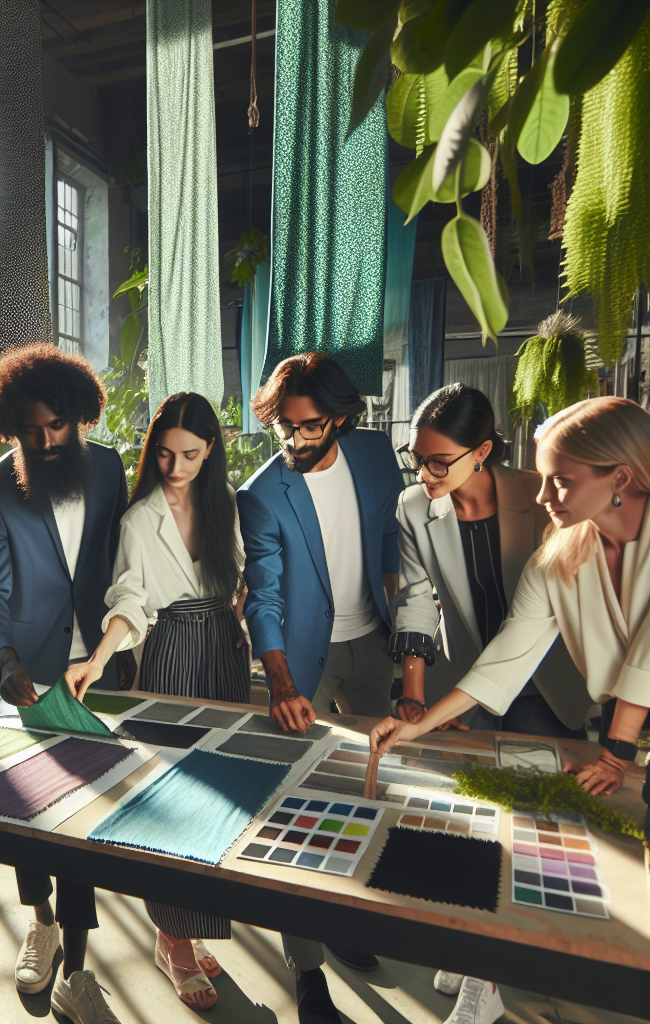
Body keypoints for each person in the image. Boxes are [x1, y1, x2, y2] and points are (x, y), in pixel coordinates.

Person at [372, 396, 650, 1024]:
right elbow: (508, 650)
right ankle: (491, 962)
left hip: (579, 704)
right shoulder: (563, 547)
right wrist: (420, 715)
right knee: (488, 823)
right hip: (521, 690)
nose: (547, 492)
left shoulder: (549, 510)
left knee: (583, 839)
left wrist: (618, 749)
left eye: (562, 479)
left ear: (621, 479)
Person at [65, 392, 249, 1011]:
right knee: (174, 800)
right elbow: (130, 600)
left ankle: (189, 929)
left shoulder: (224, 503)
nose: (175, 467)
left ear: (211, 450)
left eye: (190, 454)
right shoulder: (140, 517)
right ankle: (172, 939)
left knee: (220, 794)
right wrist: (96, 658)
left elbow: (243, 580)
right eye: (165, 454)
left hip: (224, 649)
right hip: (170, 650)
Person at [237, 352, 403, 1016]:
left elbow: (393, 540)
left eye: (307, 427)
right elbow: (264, 597)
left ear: (337, 419)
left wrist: (406, 630)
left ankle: (348, 923)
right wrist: (278, 680)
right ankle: (307, 971)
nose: (294, 440)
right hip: (306, 655)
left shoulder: (374, 456)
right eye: (284, 426)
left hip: (375, 642)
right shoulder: (262, 493)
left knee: (368, 794)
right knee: (298, 810)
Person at [0, 342, 128, 1024]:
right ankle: (40, 922)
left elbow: (128, 563)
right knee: (34, 814)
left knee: (88, 823)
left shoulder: (113, 468)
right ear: (11, 428)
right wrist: (4, 661)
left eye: (57, 427)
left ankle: (79, 967)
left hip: (103, 665)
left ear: (80, 417)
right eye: (31, 431)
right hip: (30, 671)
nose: (46, 440)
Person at [390, 384, 590, 738]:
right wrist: (413, 693)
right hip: (459, 681)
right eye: (416, 458)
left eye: (438, 462)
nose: (422, 474)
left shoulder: (543, 498)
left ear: (481, 451)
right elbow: (415, 599)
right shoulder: (413, 506)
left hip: (543, 682)